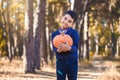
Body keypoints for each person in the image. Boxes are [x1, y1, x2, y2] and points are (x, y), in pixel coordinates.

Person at [51, 10, 79, 80]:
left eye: (70, 21)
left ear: (72, 24)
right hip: (60, 62)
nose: (66, 22)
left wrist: (69, 48)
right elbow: (54, 47)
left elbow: (75, 47)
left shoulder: (74, 33)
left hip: (72, 62)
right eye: (65, 18)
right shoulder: (54, 34)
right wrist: (58, 50)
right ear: (62, 18)